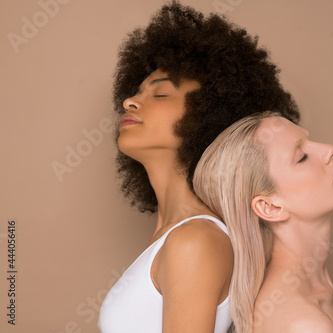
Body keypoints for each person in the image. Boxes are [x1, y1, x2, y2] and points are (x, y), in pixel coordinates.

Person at [97, 2, 300, 332]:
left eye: (161, 92)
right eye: (135, 92)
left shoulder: (195, 241)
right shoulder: (180, 236)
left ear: (209, 116)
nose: (129, 102)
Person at [193, 112, 333, 333]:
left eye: (310, 141)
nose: (329, 149)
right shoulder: (304, 324)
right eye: (302, 157)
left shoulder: (320, 293)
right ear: (270, 207)